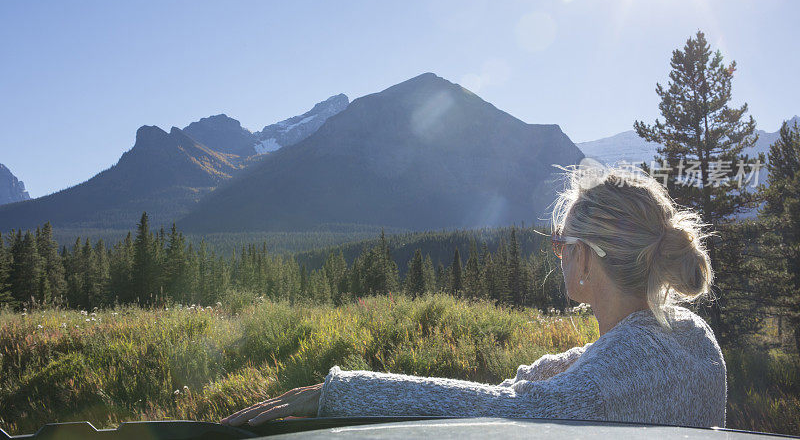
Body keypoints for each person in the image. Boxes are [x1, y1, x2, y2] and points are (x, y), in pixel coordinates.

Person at [221, 165, 727, 429]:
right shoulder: (691, 338)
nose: (557, 255)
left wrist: (340, 392)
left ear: (588, 258)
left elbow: (515, 408)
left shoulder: (605, 381)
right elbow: (551, 374)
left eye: (561, 244)